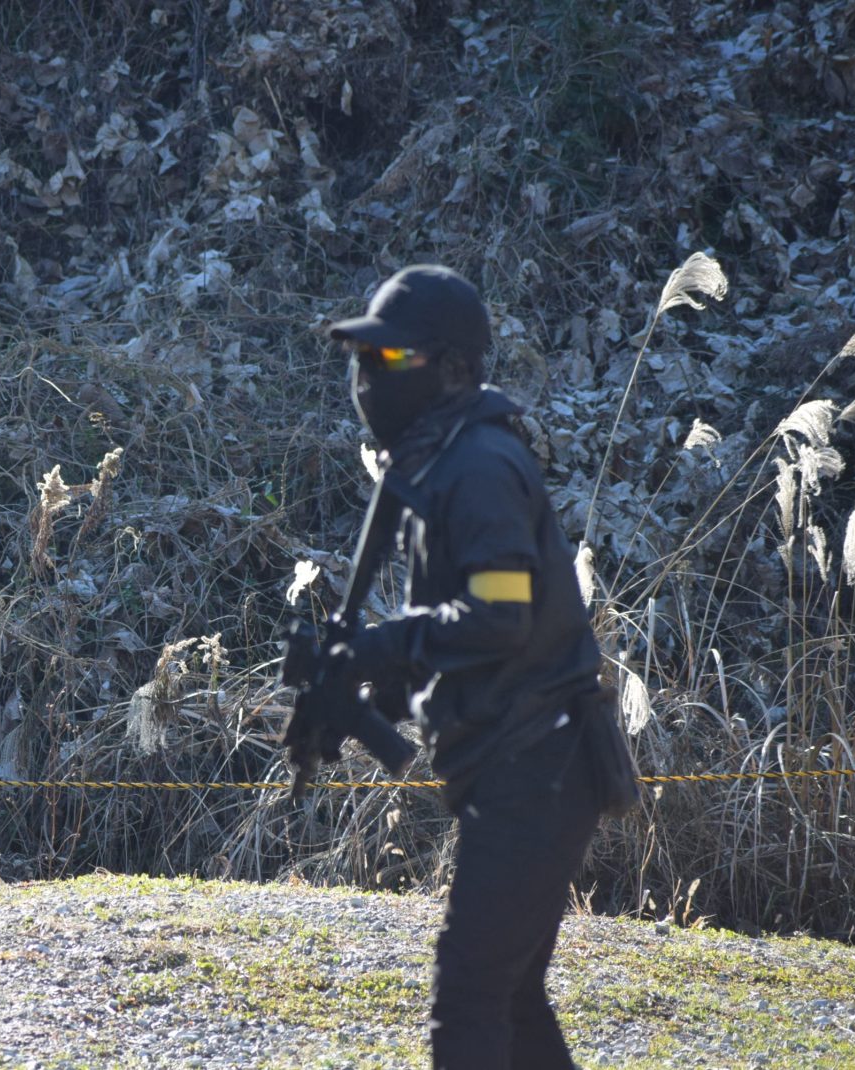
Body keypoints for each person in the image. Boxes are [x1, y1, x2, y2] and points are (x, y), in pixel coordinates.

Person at [317, 265, 606, 1068]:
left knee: (471, 1000)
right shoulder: (441, 463)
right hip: (529, 762)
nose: (369, 379)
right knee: (509, 1001)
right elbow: (459, 643)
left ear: (451, 370)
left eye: (390, 359)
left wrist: (382, 646)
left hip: (539, 766)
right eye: (363, 359)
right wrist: (366, 685)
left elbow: (498, 617)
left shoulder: (477, 466)